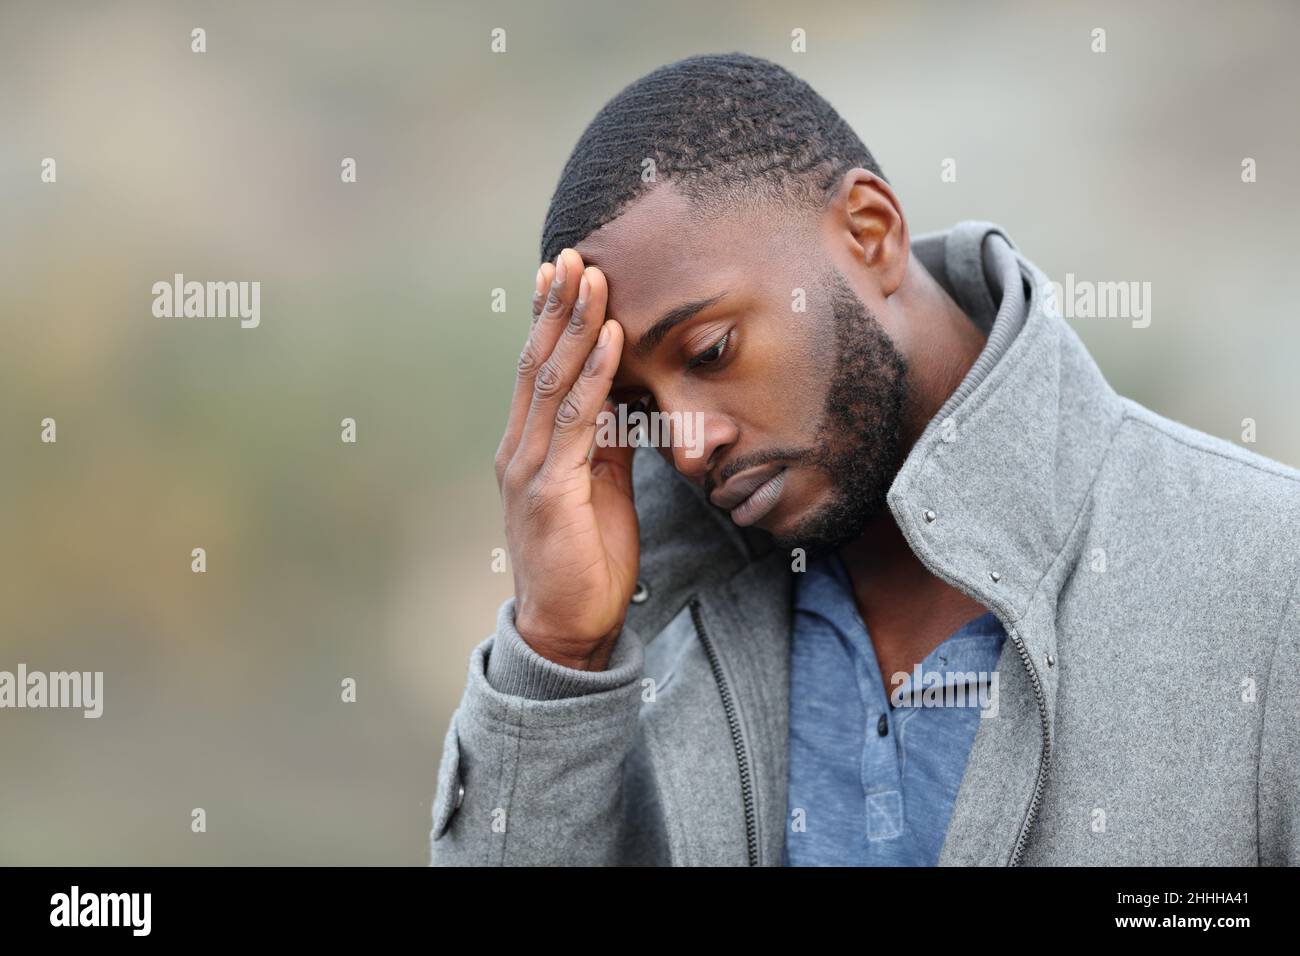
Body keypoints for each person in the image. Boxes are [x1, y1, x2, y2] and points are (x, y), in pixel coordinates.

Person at [429, 52, 1300, 866]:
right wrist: (561, 659)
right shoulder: (638, 646)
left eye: (712, 350)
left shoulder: (1269, 575)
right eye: (639, 410)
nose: (687, 447)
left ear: (870, 231)